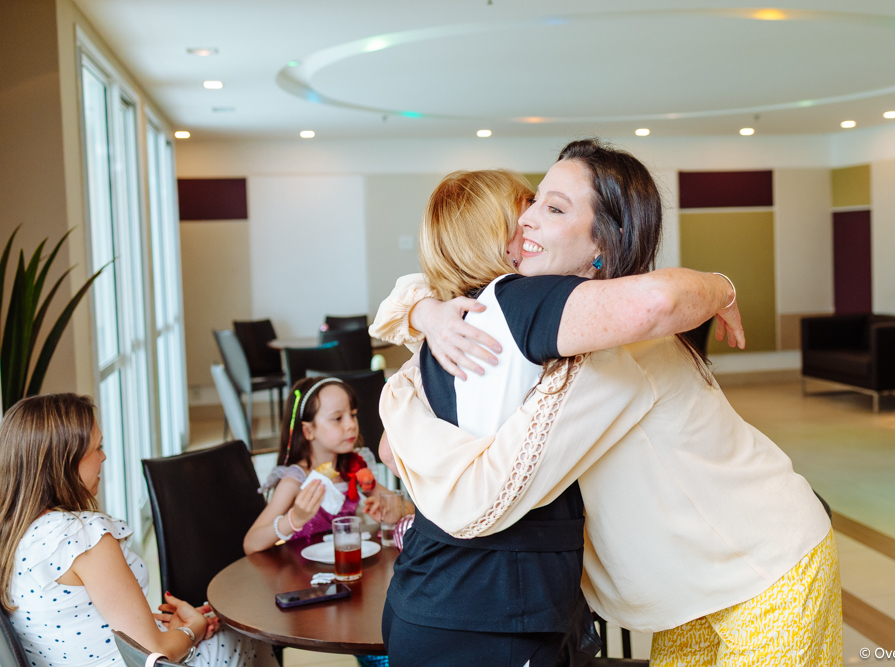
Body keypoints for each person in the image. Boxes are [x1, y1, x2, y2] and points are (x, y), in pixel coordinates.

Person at [376, 139, 841, 666]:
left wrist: (722, 286)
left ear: (603, 243)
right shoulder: (534, 327)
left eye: (552, 208)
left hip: (764, 565)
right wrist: (426, 311)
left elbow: (481, 494)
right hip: (691, 590)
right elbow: (428, 293)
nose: (525, 220)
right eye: (530, 203)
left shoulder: (611, 342)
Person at [0, 393, 278, 667]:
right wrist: (194, 627)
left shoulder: (14, 533)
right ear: (65, 462)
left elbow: (80, 625)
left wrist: (167, 630)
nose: (104, 457)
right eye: (96, 448)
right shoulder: (81, 536)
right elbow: (154, 653)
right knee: (245, 636)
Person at [243, 377, 402, 555]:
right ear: (308, 431)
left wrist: (390, 511)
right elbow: (251, 544)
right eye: (337, 418)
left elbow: (404, 509)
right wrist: (295, 519)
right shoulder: (295, 480)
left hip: (348, 567)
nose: (351, 425)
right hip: (304, 576)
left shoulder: (353, 469)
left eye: (353, 414)